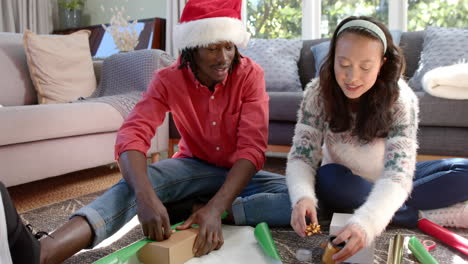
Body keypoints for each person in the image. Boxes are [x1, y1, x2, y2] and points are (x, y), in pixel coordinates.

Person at [33, 0, 292, 263]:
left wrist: (216, 210)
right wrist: (145, 197)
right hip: (191, 168)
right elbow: (132, 134)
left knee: (304, 199)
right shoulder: (168, 79)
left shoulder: (250, 75)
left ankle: (201, 208)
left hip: (240, 174)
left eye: (229, 47)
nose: (224, 58)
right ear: (192, 47)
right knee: (137, 182)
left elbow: (252, 149)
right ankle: (43, 251)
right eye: (212, 48)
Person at [286, 16, 468, 263]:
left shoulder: (401, 98)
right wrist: (302, 197)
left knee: (463, 171)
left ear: (382, 64)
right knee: (328, 181)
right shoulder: (318, 93)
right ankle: (423, 214)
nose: (352, 77)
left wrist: (366, 224)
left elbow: (398, 174)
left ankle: (410, 212)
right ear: (332, 58)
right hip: (346, 181)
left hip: (391, 179)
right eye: (344, 64)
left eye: (365, 67)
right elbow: (301, 156)